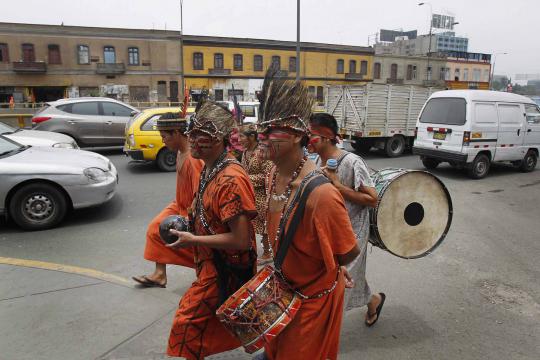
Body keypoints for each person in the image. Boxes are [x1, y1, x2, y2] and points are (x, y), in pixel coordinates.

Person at [256, 69, 360, 360]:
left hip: (312, 303)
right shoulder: (272, 174)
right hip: (282, 294)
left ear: (297, 135)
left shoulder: (321, 194)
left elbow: (348, 253)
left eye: (270, 130)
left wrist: (329, 266)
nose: (260, 137)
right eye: (259, 130)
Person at [165, 100, 257, 359]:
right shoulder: (209, 167)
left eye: (199, 136)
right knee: (199, 328)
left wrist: (193, 238)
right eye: (190, 134)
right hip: (209, 265)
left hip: (224, 270)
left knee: (186, 324)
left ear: (219, 140)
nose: (191, 140)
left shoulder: (231, 179)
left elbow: (240, 240)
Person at [307, 112, 386, 327]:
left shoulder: (352, 162)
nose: (306, 140)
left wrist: (338, 186)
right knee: (344, 279)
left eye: (310, 135)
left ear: (325, 137)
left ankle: (323, 340)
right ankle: (374, 301)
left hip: (351, 233)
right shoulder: (313, 160)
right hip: (325, 233)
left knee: (337, 286)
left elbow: (372, 199)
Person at [132, 112, 203, 288]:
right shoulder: (180, 152)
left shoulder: (193, 158)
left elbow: (200, 194)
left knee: (190, 244)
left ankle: (207, 270)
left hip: (190, 209)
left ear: (177, 133)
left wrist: (189, 219)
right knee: (155, 228)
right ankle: (159, 275)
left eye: (165, 137)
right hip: (178, 204)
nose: (163, 141)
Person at [238, 123, 274, 265]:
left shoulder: (262, 152)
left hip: (262, 195)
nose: (239, 139)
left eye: (241, 136)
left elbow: (268, 175)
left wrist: (246, 179)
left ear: (252, 137)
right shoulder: (245, 152)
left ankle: (267, 252)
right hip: (249, 193)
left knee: (263, 224)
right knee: (249, 223)